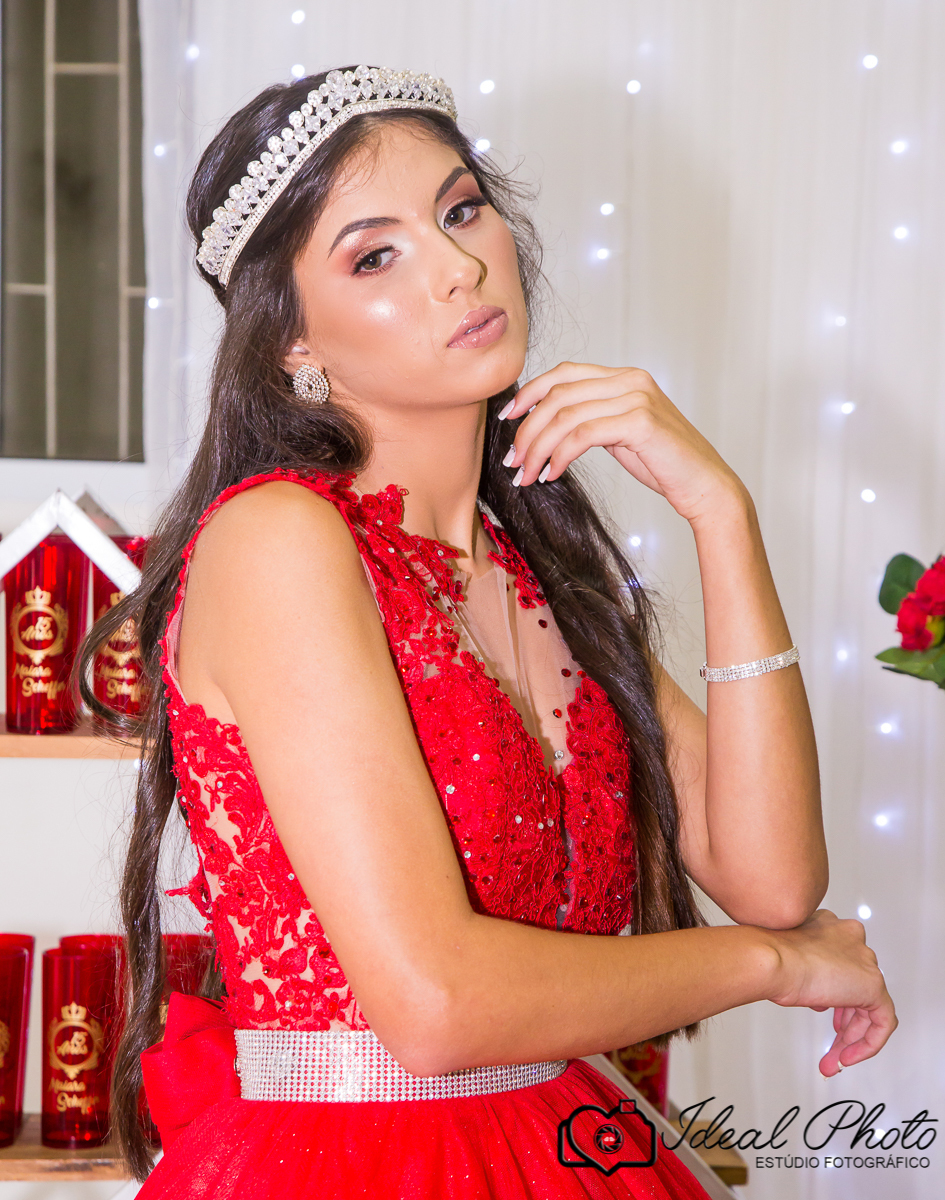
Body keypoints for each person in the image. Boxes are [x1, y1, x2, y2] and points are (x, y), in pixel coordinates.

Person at [79, 64, 896, 1199]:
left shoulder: (540, 574)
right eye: (375, 256)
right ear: (292, 346)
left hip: (561, 1143)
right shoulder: (279, 540)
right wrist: (773, 966)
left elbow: (771, 877)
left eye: (460, 210)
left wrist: (720, 515)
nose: (457, 265)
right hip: (353, 1167)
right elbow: (434, 1005)